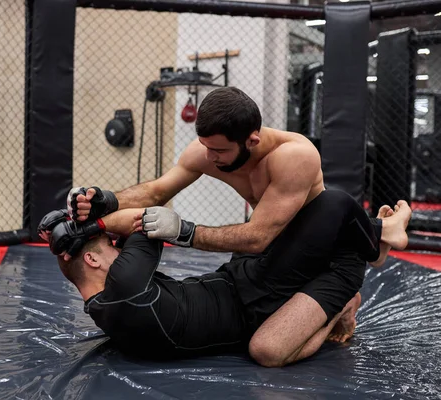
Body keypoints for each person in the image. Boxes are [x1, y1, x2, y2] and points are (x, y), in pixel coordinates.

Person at [63, 86, 412, 365]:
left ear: (252, 140)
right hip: (268, 255)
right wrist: (105, 200)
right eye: (205, 147)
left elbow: (259, 237)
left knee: (333, 201)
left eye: (219, 151)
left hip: (319, 245)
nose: (210, 158)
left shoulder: (294, 157)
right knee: (268, 347)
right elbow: (156, 190)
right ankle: (375, 242)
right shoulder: (207, 151)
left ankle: (378, 238)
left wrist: (184, 231)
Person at [41, 190, 412, 366]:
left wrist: (83, 231)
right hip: (258, 298)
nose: (117, 247)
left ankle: (372, 241)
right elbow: (150, 217)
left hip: (237, 279)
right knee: (334, 205)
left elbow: (122, 236)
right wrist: (98, 219)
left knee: (275, 212)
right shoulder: (123, 285)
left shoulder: (103, 303)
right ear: (90, 258)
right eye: (110, 244)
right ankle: (378, 238)